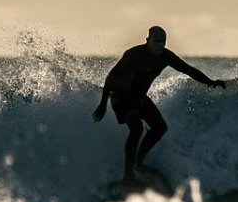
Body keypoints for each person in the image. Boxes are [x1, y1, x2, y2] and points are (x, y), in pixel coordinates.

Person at [92, 25, 226, 180]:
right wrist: (103, 103)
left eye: (163, 42)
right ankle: (128, 175)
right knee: (137, 128)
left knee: (160, 127)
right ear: (147, 40)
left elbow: (188, 70)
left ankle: (138, 162)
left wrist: (210, 82)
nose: (160, 45)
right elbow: (111, 77)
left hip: (139, 97)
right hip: (120, 95)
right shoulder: (133, 54)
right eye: (156, 41)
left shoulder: (166, 56)